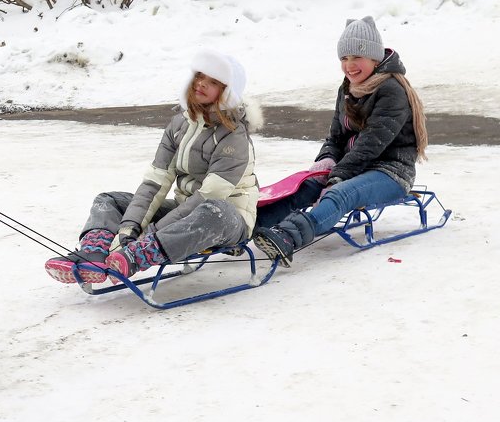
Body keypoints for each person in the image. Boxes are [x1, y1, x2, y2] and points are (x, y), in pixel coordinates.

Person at [45, 49, 259, 284]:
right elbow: (156, 181)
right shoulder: (180, 123)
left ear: (227, 92)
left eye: (213, 82)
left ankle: (136, 256)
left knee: (214, 210)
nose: (201, 84)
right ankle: (93, 254)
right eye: (200, 76)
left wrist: (149, 234)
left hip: (228, 218)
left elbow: (208, 196)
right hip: (183, 208)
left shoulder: (233, 135)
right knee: (110, 200)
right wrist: (129, 229)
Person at [253, 16, 429, 266]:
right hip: (354, 165)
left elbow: (371, 144)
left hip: (390, 171)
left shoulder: (392, 91)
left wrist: (337, 177)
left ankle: (288, 237)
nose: (350, 65)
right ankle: (251, 226)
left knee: (339, 194)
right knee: (306, 186)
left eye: (357, 57)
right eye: (344, 59)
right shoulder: (347, 88)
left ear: (375, 59)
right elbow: (336, 136)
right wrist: (326, 161)